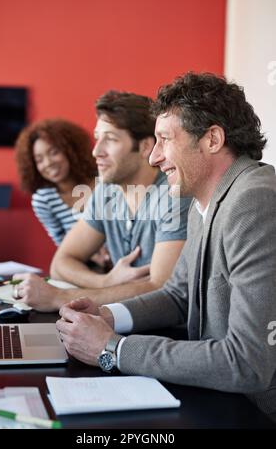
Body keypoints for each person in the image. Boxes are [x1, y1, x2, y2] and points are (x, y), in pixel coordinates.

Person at [55, 73, 276, 422]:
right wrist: (107, 315)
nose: (154, 157)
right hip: (220, 395)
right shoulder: (206, 199)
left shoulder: (253, 202)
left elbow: (248, 363)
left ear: (213, 139)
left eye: (164, 140)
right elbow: (177, 295)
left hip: (256, 410)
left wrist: (112, 347)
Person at [13, 91, 191, 310]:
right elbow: (61, 262)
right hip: (113, 322)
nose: (96, 151)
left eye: (111, 139)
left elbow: (161, 289)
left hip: (162, 336)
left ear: (145, 147)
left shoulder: (174, 194)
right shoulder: (106, 191)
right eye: (98, 138)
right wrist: (106, 281)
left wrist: (58, 298)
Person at [15, 118, 97, 246]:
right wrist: (94, 256)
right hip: (82, 262)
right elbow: (62, 245)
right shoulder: (44, 199)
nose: (48, 163)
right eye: (39, 160)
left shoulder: (104, 182)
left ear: (72, 151)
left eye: (54, 152)